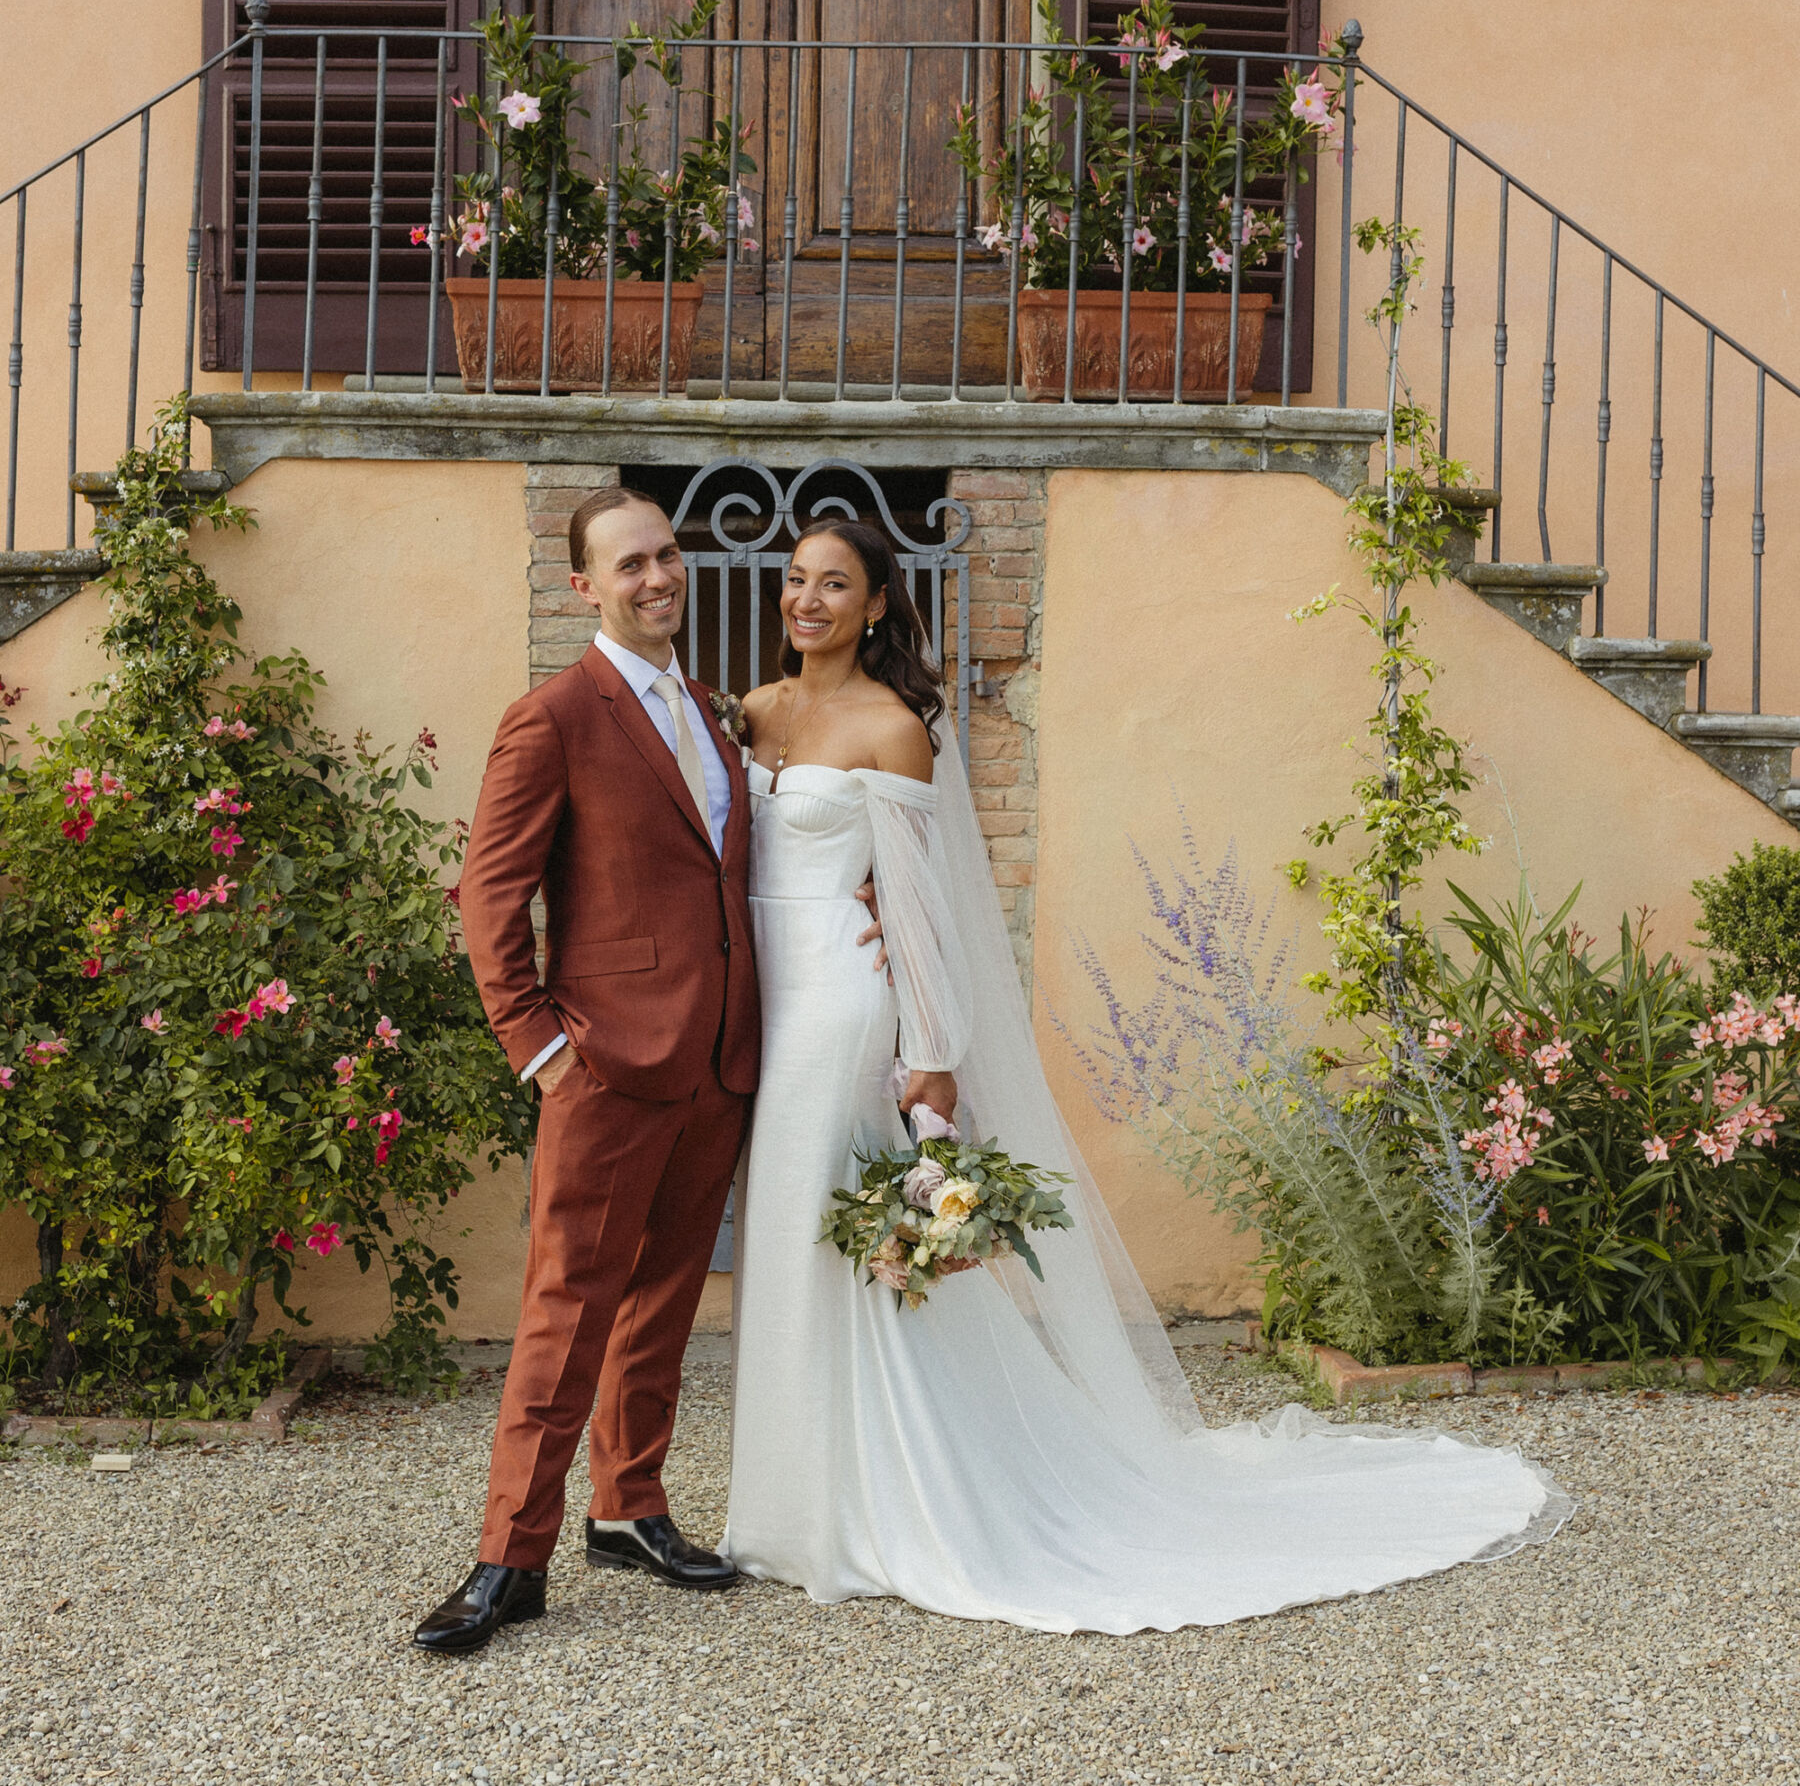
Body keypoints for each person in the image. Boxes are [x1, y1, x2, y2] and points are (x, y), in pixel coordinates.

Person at [724, 516, 1570, 1632]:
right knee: (782, 1236)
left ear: (878, 604)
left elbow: (925, 916)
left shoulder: (893, 729)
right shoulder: (750, 710)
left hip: (838, 999)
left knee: (840, 1232)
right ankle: (787, 1500)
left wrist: (930, 1057)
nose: (807, 601)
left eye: (835, 584)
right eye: (794, 580)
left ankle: (879, 1500)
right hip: (756, 996)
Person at [414, 487, 757, 1657]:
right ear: (584, 588)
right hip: (605, 1067)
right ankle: (511, 1556)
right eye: (631, 565)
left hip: (716, 1062)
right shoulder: (553, 716)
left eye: (668, 555)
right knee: (569, 1310)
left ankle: (632, 1506)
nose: (658, 577)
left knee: (664, 1301)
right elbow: (489, 897)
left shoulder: (707, 711)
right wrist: (542, 1050)